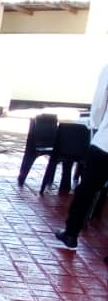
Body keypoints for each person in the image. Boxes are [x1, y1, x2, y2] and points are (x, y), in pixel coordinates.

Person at [55, 61, 108, 252]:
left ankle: (71, 234)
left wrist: (97, 125)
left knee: (87, 189)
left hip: (105, 144)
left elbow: (99, 105)